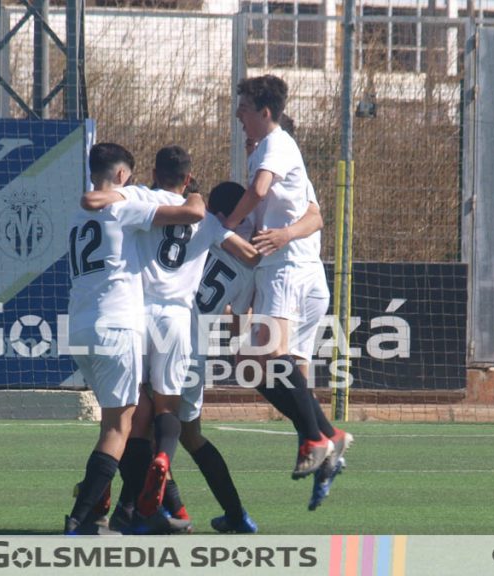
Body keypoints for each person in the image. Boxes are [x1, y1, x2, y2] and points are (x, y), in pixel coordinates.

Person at [82, 146, 260, 534]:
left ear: (153, 171)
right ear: (189, 177)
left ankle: (135, 506)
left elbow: (107, 206)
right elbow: (247, 257)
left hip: (139, 317)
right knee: (180, 426)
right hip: (185, 332)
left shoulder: (145, 200)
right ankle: (170, 490)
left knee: (131, 419)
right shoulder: (213, 228)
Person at [63, 142, 206, 535]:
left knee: (135, 415)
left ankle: (144, 509)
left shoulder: (77, 215)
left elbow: (93, 199)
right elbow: (192, 211)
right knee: (119, 427)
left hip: (78, 328)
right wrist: (194, 192)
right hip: (117, 325)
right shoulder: (125, 205)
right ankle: (82, 516)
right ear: (124, 176)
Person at [223, 74, 352, 483]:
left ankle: (318, 438)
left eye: (244, 108)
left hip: (288, 274)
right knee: (283, 369)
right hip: (303, 274)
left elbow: (259, 190)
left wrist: (228, 223)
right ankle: (325, 437)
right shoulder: (280, 155)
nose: (238, 116)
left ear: (264, 112)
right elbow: (314, 214)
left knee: (261, 363)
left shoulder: (275, 147)